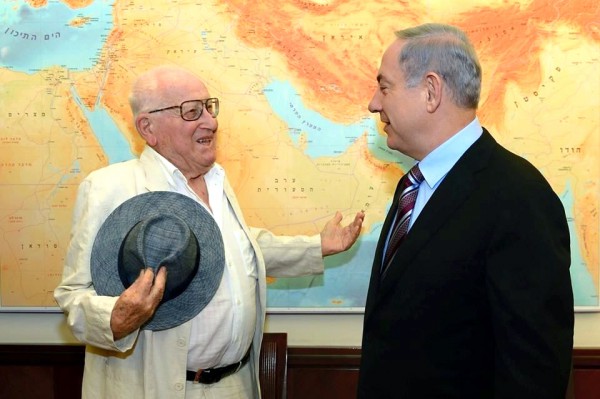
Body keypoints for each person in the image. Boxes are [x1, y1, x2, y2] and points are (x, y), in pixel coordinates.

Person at [54, 64, 365, 399]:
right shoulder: (108, 189)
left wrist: (318, 247)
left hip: (236, 385)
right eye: (192, 111)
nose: (211, 122)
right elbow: (74, 296)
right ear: (148, 127)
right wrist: (115, 318)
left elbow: (240, 248)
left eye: (209, 107)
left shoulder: (217, 182)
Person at [357, 23, 573, 398]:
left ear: (430, 91)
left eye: (384, 86)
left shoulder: (519, 198)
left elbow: (533, 373)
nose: (374, 102)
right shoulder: (410, 188)